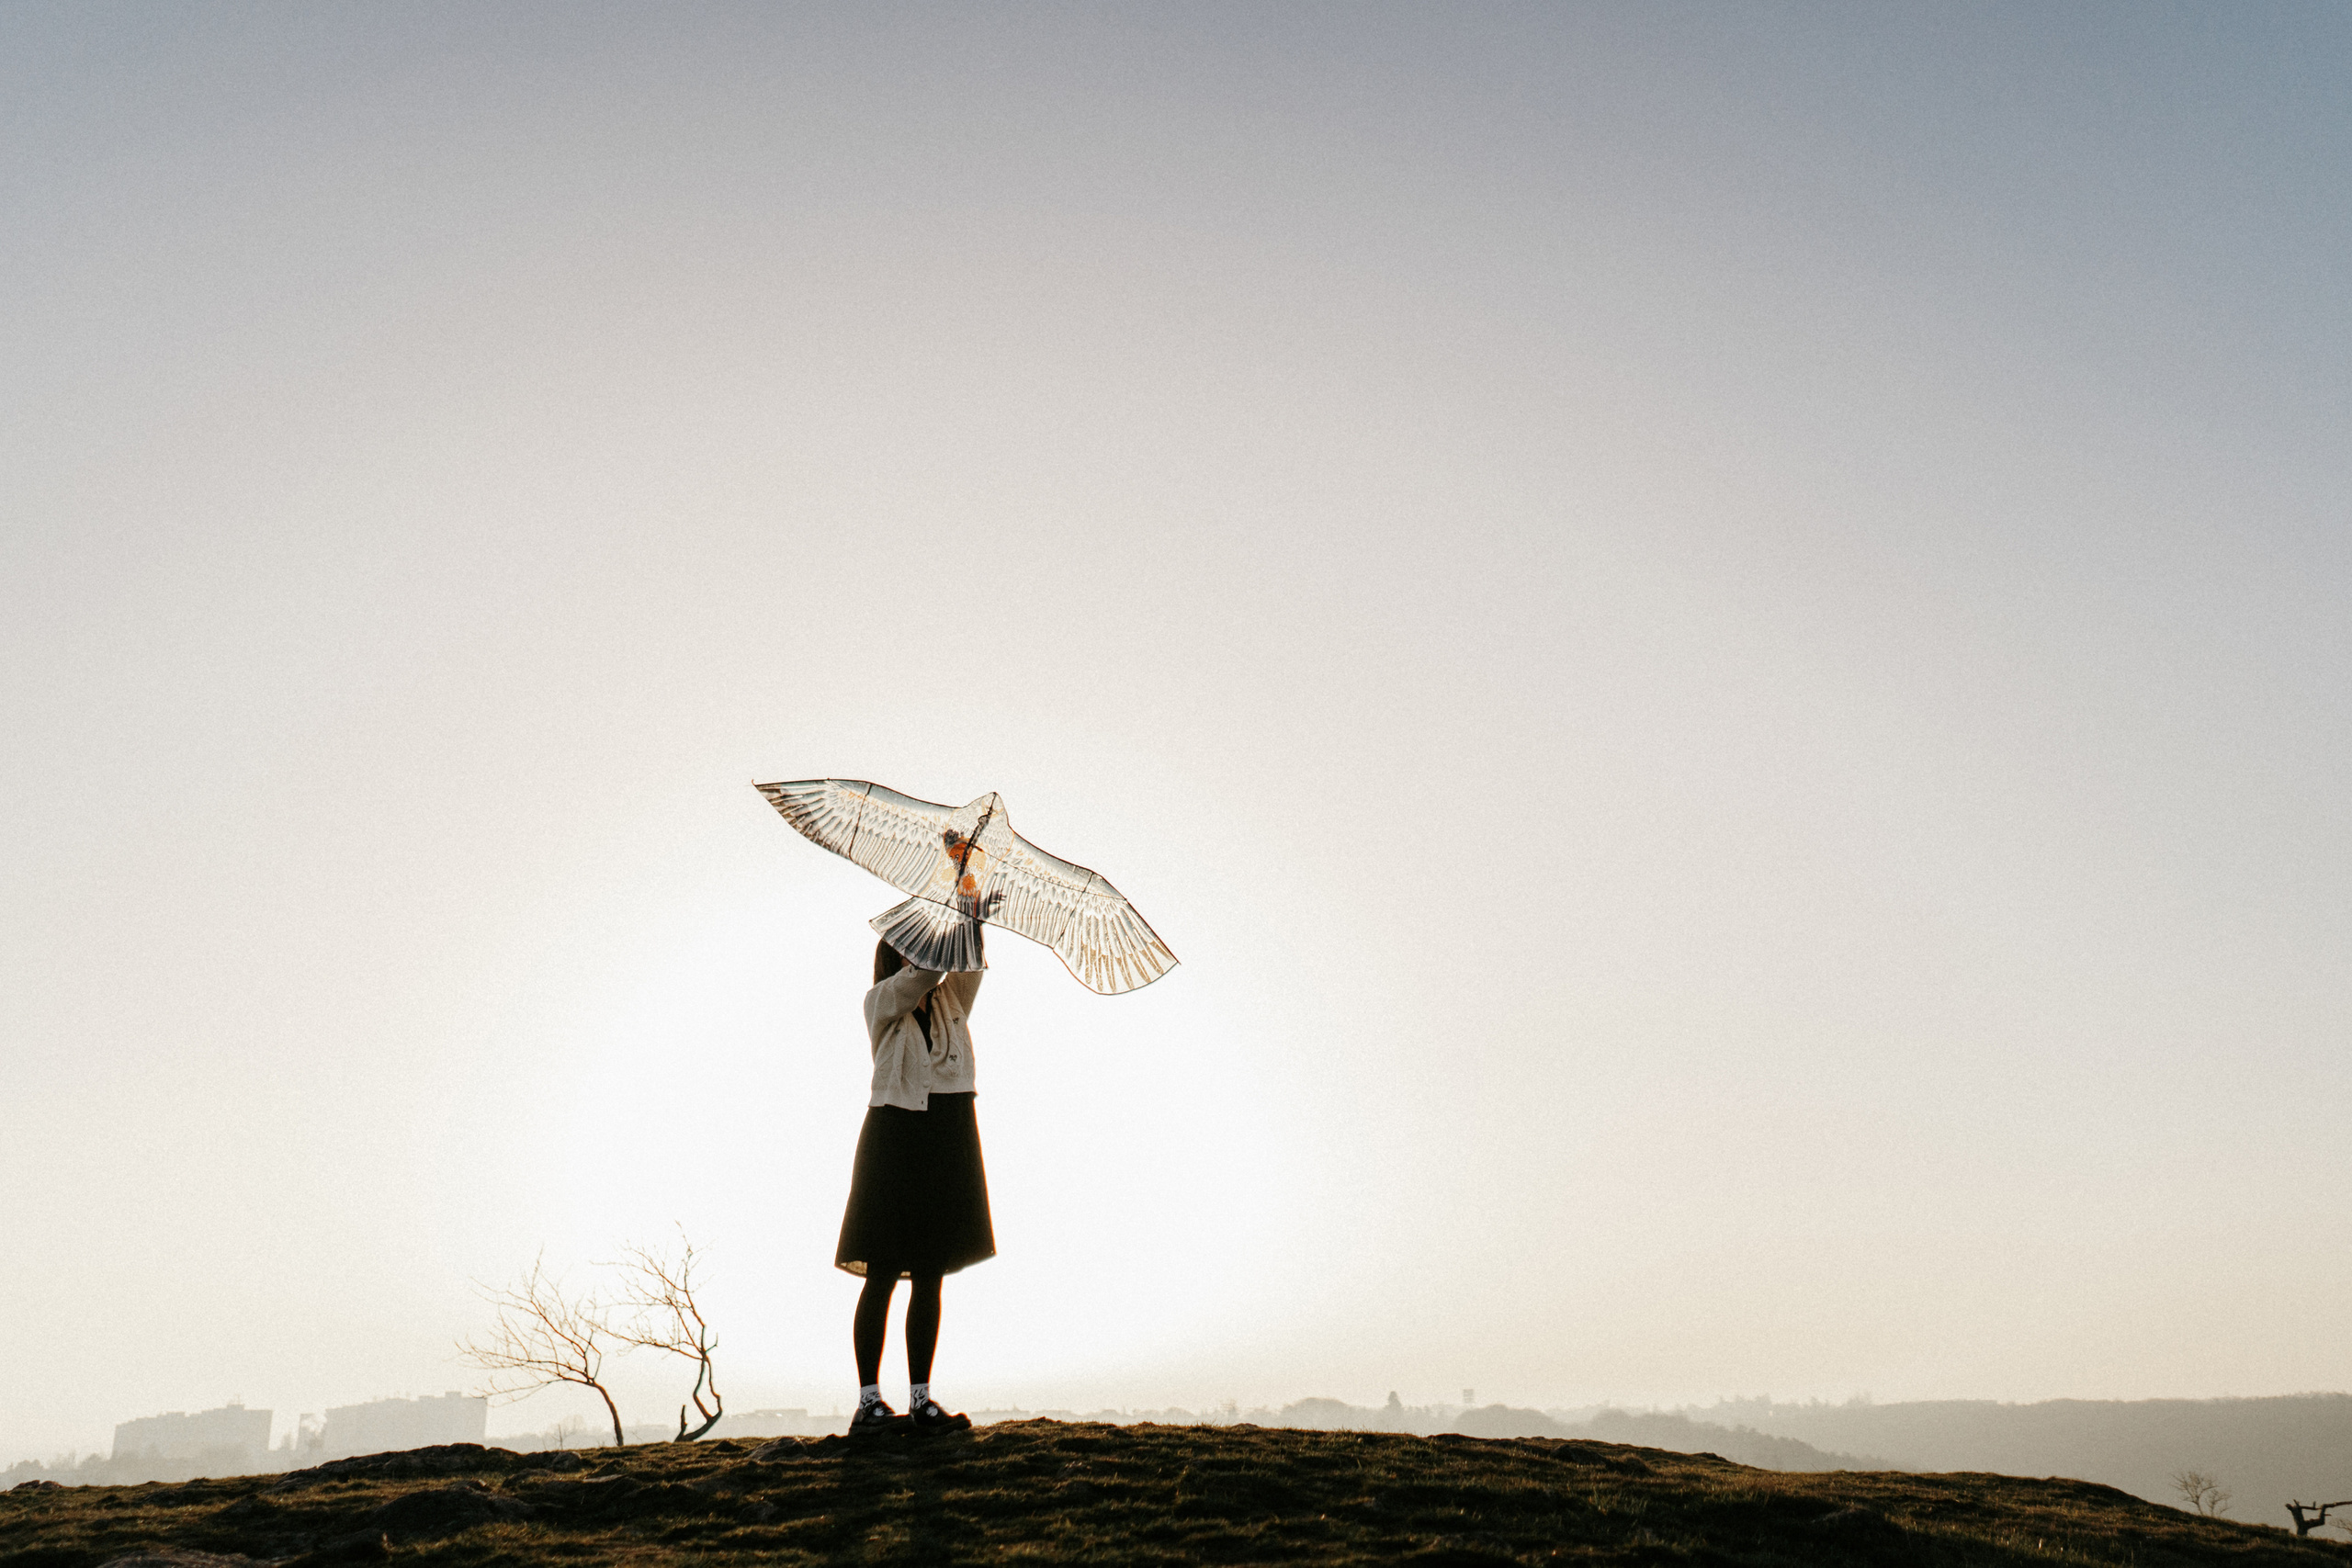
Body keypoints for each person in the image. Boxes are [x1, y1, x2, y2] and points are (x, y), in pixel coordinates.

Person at [835, 926, 995, 1437]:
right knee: (882, 1270)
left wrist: (969, 916)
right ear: (894, 961)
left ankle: (921, 1401)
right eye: (910, 953)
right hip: (894, 1136)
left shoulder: (949, 1001)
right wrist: (943, 933)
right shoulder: (881, 1002)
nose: (918, 961)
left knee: (930, 1271)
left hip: (947, 1134)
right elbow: (923, 974)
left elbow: (968, 967)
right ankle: (869, 1403)